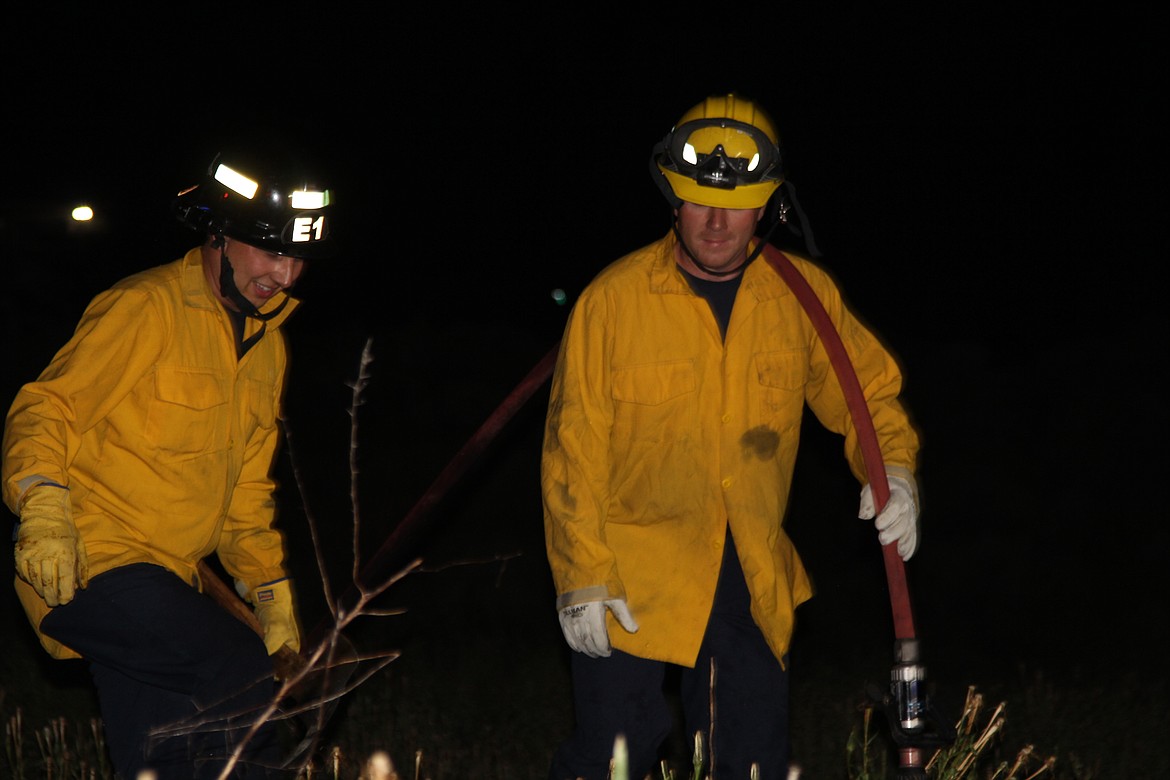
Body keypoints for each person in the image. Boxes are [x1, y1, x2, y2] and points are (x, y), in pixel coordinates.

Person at [541, 93, 922, 780]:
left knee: (749, 764)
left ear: (771, 205)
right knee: (608, 761)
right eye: (697, 201)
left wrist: (892, 467)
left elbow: (864, 395)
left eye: (738, 203)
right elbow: (574, 448)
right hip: (628, 577)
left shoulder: (804, 296)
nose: (716, 223)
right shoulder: (612, 300)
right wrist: (580, 574)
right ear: (671, 198)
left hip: (751, 576)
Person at [3, 148, 335, 779]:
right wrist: (43, 508)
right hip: (91, 560)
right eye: (271, 252)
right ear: (217, 234)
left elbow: (244, 490)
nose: (287, 275)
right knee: (234, 667)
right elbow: (44, 410)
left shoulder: (267, 349)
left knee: (166, 754)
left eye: (298, 258)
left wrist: (268, 591)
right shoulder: (144, 308)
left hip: (170, 582)